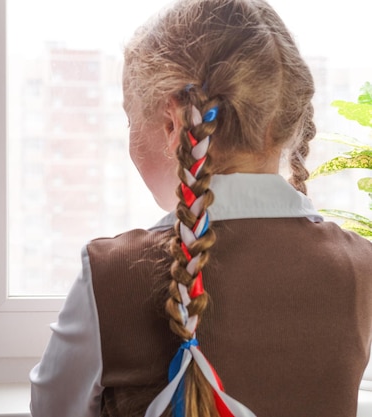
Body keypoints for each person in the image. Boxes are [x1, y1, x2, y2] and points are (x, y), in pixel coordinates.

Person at [29, 0, 372, 416]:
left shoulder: (112, 272)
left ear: (172, 124)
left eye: (129, 119)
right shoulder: (360, 265)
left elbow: (51, 408)